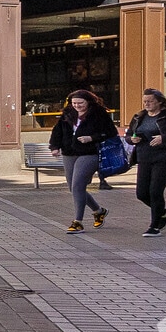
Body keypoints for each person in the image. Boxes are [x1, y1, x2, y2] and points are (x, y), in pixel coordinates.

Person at [47, 89, 117, 233]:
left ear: (88, 102)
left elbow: (110, 132)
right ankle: (99, 211)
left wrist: (91, 138)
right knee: (74, 188)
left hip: (89, 153)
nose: (77, 106)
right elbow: (57, 131)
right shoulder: (67, 114)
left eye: (80, 103)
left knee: (78, 184)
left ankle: (77, 221)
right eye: (74, 103)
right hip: (69, 152)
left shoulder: (98, 114)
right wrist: (54, 147)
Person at [125, 88, 166, 236]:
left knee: (155, 191)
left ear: (159, 101)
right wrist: (132, 139)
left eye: (150, 101)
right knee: (141, 193)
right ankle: (163, 213)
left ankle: (154, 226)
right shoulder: (139, 116)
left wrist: (163, 138)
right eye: (145, 101)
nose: (147, 104)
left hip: (165, 158)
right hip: (144, 157)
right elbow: (128, 135)